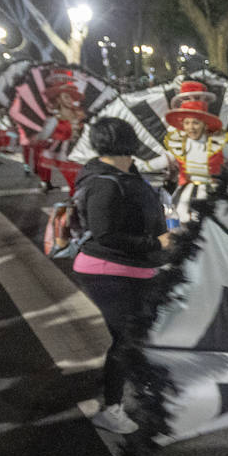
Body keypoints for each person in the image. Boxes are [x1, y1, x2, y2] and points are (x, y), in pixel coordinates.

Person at [72, 117, 175, 435]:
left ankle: (140, 386)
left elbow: (143, 206)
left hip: (135, 269)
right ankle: (111, 409)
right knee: (127, 337)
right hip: (109, 271)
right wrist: (155, 243)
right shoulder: (104, 182)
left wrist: (168, 189)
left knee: (142, 333)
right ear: (129, 142)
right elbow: (105, 234)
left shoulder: (124, 172)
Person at [162, 82, 228, 224]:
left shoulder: (217, 143)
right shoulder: (179, 143)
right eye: (187, 123)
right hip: (185, 194)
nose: (191, 127)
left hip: (212, 193)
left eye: (196, 122)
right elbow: (162, 160)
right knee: (180, 221)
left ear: (205, 124)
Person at [34, 79, 87, 193]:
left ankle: (75, 199)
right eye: (66, 97)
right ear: (59, 99)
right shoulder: (54, 119)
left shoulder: (79, 115)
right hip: (60, 152)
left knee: (76, 180)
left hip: (76, 151)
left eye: (71, 97)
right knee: (73, 180)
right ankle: (47, 184)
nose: (70, 100)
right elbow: (43, 136)